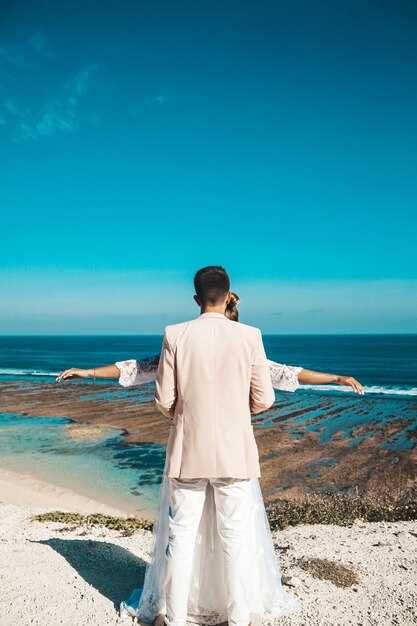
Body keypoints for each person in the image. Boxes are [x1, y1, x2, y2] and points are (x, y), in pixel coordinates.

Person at [56, 275, 364, 625]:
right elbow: (264, 397)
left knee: (180, 538)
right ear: (228, 295)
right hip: (235, 451)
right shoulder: (250, 336)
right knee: (235, 538)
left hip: (188, 450)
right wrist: (234, 414)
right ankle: (237, 619)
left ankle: (173, 619)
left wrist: (182, 417)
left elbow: (162, 395)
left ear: (195, 297)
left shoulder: (176, 334)